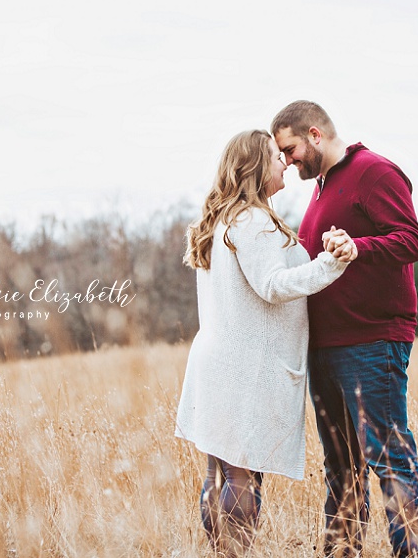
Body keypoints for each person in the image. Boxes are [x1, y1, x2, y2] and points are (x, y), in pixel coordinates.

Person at [175, 129, 358, 557]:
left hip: (220, 361)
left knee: (220, 472)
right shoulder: (252, 219)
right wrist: (331, 264)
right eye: (277, 157)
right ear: (256, 166)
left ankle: (222, 552)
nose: (285, 164)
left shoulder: (225, 218)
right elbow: (273, 285)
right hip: (244, 368)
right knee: (240, 476)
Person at [271, 101, 418, 557]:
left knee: (389, 458)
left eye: (290, 149)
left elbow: (412, 239)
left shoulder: (375, 172)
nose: (288, 161)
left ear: (315, 135)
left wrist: (357, 247)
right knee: (341, 467)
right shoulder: (321, 186)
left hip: (371, 342)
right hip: (325, 347)